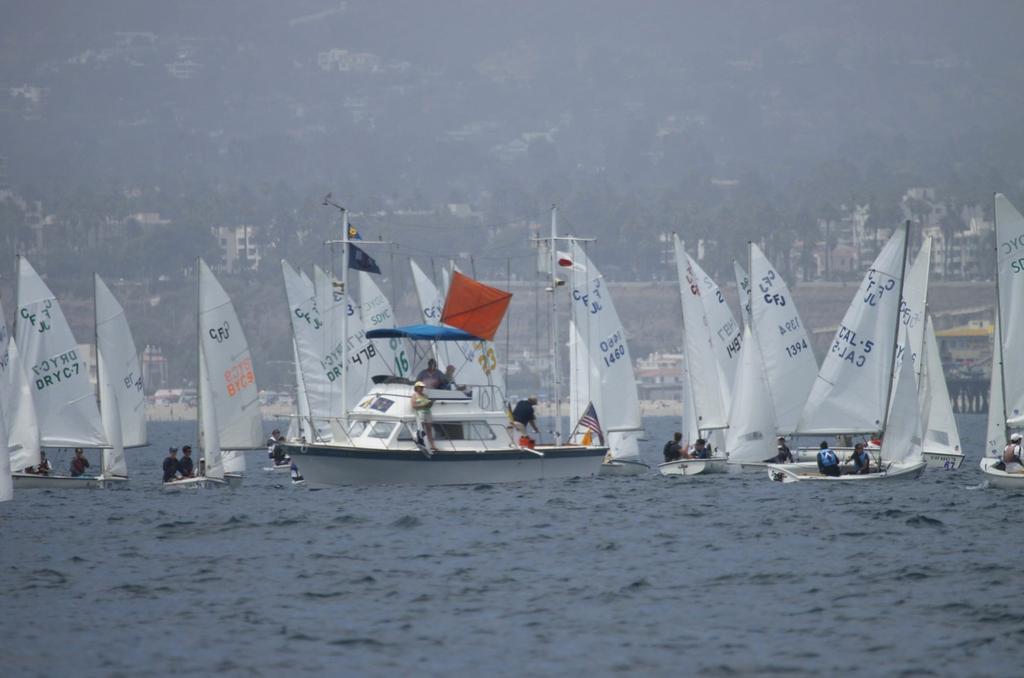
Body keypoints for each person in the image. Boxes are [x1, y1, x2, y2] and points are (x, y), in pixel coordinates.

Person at [411, 381, 437, 451]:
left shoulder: (425, 395)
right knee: (421, 429)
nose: (422, 388)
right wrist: (423, 405)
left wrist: (431, 403)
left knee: (429, 429)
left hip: (428, 412)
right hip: (420, 412)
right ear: (416, 388)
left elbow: (429, 406)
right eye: (420, 387)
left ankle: (432, 445)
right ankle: (421, 443)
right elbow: (414, 406)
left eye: (422, 387)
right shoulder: (414, 395)